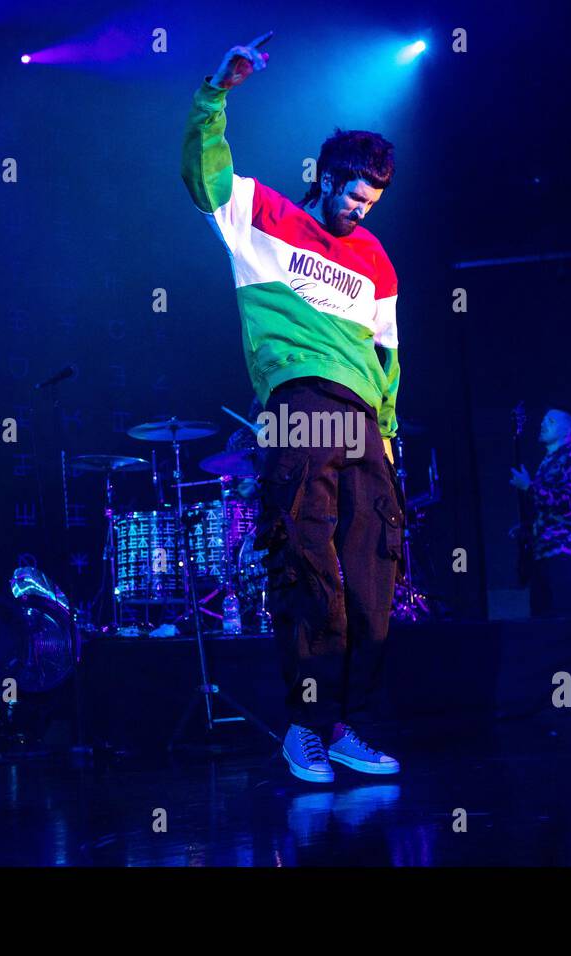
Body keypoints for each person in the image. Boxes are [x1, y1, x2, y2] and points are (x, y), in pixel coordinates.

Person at [183, 35, 403, 784]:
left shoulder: (377, 260)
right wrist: (219, 89)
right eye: (350, 194)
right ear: (326, 176)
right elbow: (202, 174)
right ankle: (305, 727)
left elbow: (387, 359)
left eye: (370, 203)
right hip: (300, 402)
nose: (358, 209)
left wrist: (391, 434)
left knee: (375, 570)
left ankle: (348, 725)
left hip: (365, 421)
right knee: (310, 564)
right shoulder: (262, 213)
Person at [509, 408, 571, 616]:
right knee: (542, 620)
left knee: (564, 620)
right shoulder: (547, 463)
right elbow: (548, 508)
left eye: (551, 421)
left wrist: (530, 487)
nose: (543, 424)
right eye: (544, 420)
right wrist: (527, 527)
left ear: (567, 431)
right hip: (543, 552)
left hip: (564, 552)